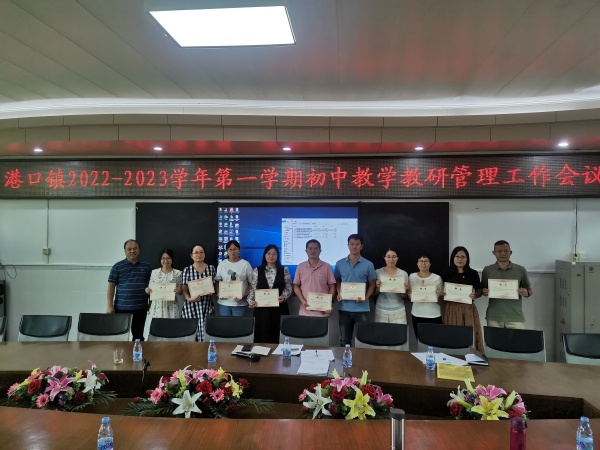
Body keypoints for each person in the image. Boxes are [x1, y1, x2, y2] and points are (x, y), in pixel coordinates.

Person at [334, 234, 377, 346]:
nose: (354, 247)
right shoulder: (339, 263)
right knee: (345, 341)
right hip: (344, 308)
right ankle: (345, 358)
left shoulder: (368, 264)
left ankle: (361, 358)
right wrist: (339, 292)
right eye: (351, 244)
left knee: (363, 341)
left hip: (362, 309)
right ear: (348, 245)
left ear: (361, 246)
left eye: (357, 244)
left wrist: (365, 298)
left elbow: (372, 285)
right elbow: (337, 281)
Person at [107, 239, 152, 341]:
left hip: (141, 308)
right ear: (125, 251)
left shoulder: (147, 266)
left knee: (138, 337)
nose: (132, 251)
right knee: (120, 336)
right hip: (121, 308)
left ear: (139, 250)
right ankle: (122, 353)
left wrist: (151, 302)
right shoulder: (117, 266)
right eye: (129, 249)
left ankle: (137, 352)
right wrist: (109, 305)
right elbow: (111, 286)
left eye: (135, 248)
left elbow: (151, 286)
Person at [482, 240, 532, 329]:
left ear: (510, 252)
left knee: (517, 339)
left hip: (515, 317)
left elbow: (529, 289)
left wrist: (527, 292)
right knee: (493, 339)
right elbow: (482, 289)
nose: (503, 253)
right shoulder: (487, 270)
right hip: (494, 317)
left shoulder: (520, 269)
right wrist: (484, 292)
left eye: (506, 251)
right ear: (494, 253)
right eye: (499, 251)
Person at [247, 244, 292, 343]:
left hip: (279, 309)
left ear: (277, 256)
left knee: (279, 336)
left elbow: (288, 287)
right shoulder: (257, 270)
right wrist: (251, 301)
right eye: (269, 253)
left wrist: (283, 296)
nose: (271, 256)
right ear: (265, 255)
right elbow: (253, 289)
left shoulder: (284, 270)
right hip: (262, 311)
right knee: (262, 336)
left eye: (274, 254)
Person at [442, 246, 484, 351]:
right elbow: (441, 289)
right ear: (453, 258)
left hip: (468, 308)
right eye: (457, 256)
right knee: (452, 335)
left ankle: (471, 355)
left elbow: (479, 290)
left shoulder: (473, 273)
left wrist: (475, 295)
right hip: (451, 308)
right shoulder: (447, 272)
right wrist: (443, 293)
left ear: (467, 258)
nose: (460, 259)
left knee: (469, 335)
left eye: (463, 257)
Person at [181, 244, 217, 342]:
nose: (199, 255)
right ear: (191, 255)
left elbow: (215, 286)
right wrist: (189, 298)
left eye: (201, 252)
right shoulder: (187, 270)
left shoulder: (211, 268)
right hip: (191, 306)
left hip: (207, 306)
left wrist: (212, 292)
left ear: (204, 254)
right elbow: (184, 289)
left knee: (207, 334)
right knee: (191, 334)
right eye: (196, 252)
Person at [293, 239, 336, 317]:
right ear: (306, 251)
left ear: (320, 251)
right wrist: (302, 301)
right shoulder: (300, 266)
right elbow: (296, 286)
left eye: (315, 248)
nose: (313, 251)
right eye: (310, 248)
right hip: (305, 311)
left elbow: (332, 286)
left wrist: (328, 302)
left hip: (322, 311)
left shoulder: (327, 266)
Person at [408, 252, 443, 340]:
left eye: (426, 261)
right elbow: (409, 296)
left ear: (430, 263)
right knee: (420, 340)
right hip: (417, 313)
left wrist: (439, 295)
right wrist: (409, 295)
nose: (423, 263)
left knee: (435, 340)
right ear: (417, 263)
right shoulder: (411, 277)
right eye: (421, 261)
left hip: (433, 314)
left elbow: (442, 298)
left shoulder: (437, 278)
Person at [216, 240, 253, 317]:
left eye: (235, 249)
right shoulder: (222, 264)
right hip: (224, 303)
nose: (233, 251)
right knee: (225, 324)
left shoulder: (246, 264)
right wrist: (219, 293)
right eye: (230, 249)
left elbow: (252, 283)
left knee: (238, 324)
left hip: (240, 303)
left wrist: (244, 295)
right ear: (227, 251)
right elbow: (217, 281)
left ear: (239, 250)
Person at [374, 248, 409, 324]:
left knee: (399, 331)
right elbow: (374, 294)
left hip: (398, 311)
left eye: (394, 257)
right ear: (384, 258)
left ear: (397, 258)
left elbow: (404, 296)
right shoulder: (377, 272)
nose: (391, 259)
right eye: (388, 256)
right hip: (381, 310)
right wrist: (378, 287)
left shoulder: (403, 274)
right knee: (381, 331)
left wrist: (404, 290)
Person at [146, 249, 182, 320]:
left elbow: (181, 291)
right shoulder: (154, 273)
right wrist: (147, 290)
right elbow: (149, 288)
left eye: (168, 258)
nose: (165, 261)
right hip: (157, 306)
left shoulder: (178, 273)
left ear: (172, 259)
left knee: (171, 325)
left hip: (172, 306)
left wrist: (179, 290)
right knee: (156, 326)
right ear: (160, 260)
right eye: (163, 258)